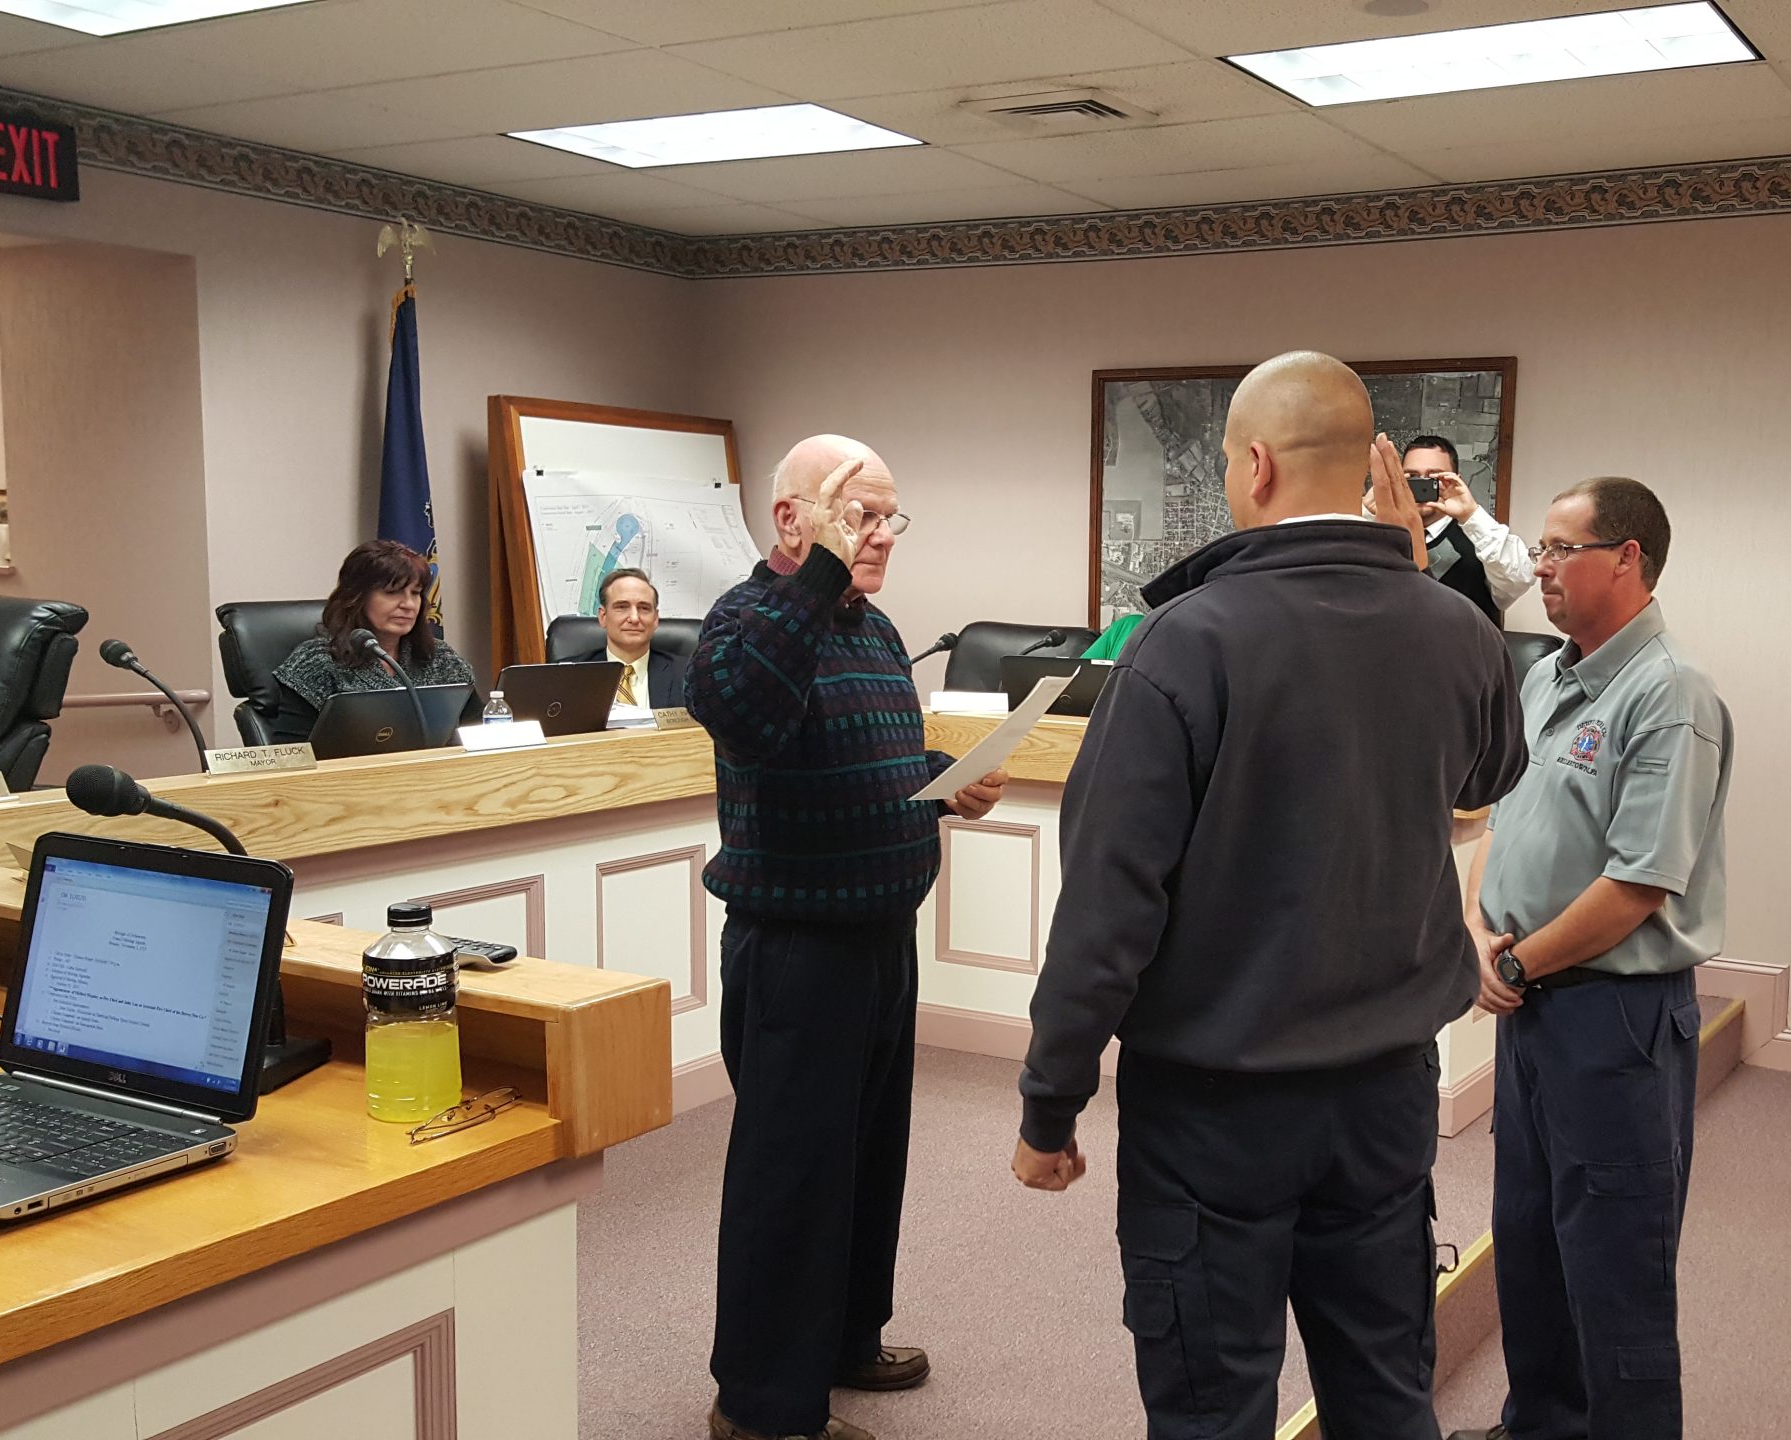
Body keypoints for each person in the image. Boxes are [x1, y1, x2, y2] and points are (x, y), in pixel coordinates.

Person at [1013, 351, 1527, 1440]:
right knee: (1386, 1389)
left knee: (1212, 1402)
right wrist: (1412, 578)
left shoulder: (1179, 646)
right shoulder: (1457, 631)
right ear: (1369, 470)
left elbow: (1109, 910)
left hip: (1214, 1109)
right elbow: (1484, 781)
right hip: (1386, 1099)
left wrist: (1049, 1104)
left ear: (1252, 467)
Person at [688, 434, 1007, 1440]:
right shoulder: (747, 619)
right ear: (792, 521)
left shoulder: (867, 628)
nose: (880, 537)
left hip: (879, 935)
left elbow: (866, 753)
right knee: (792, 1177)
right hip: (796, 949)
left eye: (886, 518)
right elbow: (745, 716)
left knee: (867, 1160)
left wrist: (946, 783)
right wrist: (814, 574)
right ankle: (763, 1404)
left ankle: (844, 1340)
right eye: (859, 515)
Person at [1451, 476, 1733, 1440]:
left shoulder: (1672, 697)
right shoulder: (1545, 675)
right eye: (1540, 549)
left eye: (1562, 549)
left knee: (1616, 1263)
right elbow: (1506, 815)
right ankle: (1541, 1426)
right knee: (1530, 1245)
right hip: (1534, 1006)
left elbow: (1639, 885)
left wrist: (1520, 963)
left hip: (1616, 1017)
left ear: (1628, 560)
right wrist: (1484, 930)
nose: (1542, 569)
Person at [269, 538, 474, 744]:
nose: (409, 604)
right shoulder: (316, 663)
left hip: (439, 774)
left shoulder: (440, 658)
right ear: (357, 597)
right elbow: (291, 756)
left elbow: (483, 731)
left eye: (415, 593)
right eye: (392, 592)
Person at [1402, 434, 1535, 626]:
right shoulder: (1385, 538)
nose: (1422, 485)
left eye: (1435, 477)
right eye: (1412, 477)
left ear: (1456, 481)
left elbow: (1519, 578)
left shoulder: (1479, 538)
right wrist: (1366, 515)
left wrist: (1471, 514)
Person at [566, 567, 682, 707]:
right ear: (603, 617)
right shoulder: (567, 677)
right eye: (622, 607)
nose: (634, 618)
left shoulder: (688, 674)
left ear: (656, 619)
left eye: (644, 608)